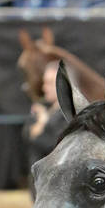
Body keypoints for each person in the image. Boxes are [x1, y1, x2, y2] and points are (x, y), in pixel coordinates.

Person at [22, 60, 67, 193]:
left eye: (49, 83)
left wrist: (42, 123)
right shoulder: (41, 107)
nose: (44, 88)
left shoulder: (68, 114)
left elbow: (52, 144)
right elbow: (26, 135)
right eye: (44, 82)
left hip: (56, 184)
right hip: (36, 180)